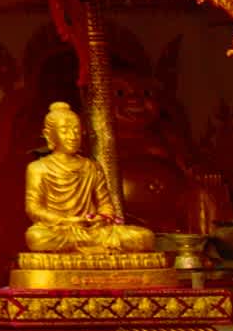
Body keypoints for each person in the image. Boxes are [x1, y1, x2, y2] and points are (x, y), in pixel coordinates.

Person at [23, 102, 155, 253]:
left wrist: (100, 217)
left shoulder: (91, 167)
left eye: (76, 130)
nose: (72, 136)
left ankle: (88, 247)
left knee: (144, 237)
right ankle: (97, 249)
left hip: (92, 230)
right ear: (49, 135)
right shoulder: (38, 168)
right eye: (64, 130)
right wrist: (66, 221)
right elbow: (33, 208)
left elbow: (105, 204)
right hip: (60, 230)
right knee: (36, 238)